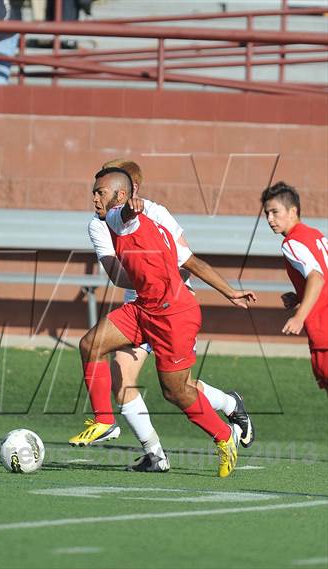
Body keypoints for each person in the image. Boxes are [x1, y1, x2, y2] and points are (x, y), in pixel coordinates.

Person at [70, 168, 257, 478]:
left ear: (120, 196)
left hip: (174, 315)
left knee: (176, 391)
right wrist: (230, 292)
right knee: (91, 344)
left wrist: (131, 208)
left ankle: (224, 436)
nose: (94, 197)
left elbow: (132, 218)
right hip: (143, 307)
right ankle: (104, 421)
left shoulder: (121, 216)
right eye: (94, 191)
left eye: (100, 192)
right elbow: (193, 262)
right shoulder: (125, 223)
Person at [261, 181, 328, 391]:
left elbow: (317, 277)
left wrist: (299, 317)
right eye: (266, 214)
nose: (270, 219)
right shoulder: (316, 234)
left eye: (274, 212)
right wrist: (300, 295)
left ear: (292, 211)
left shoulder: (291, 242)